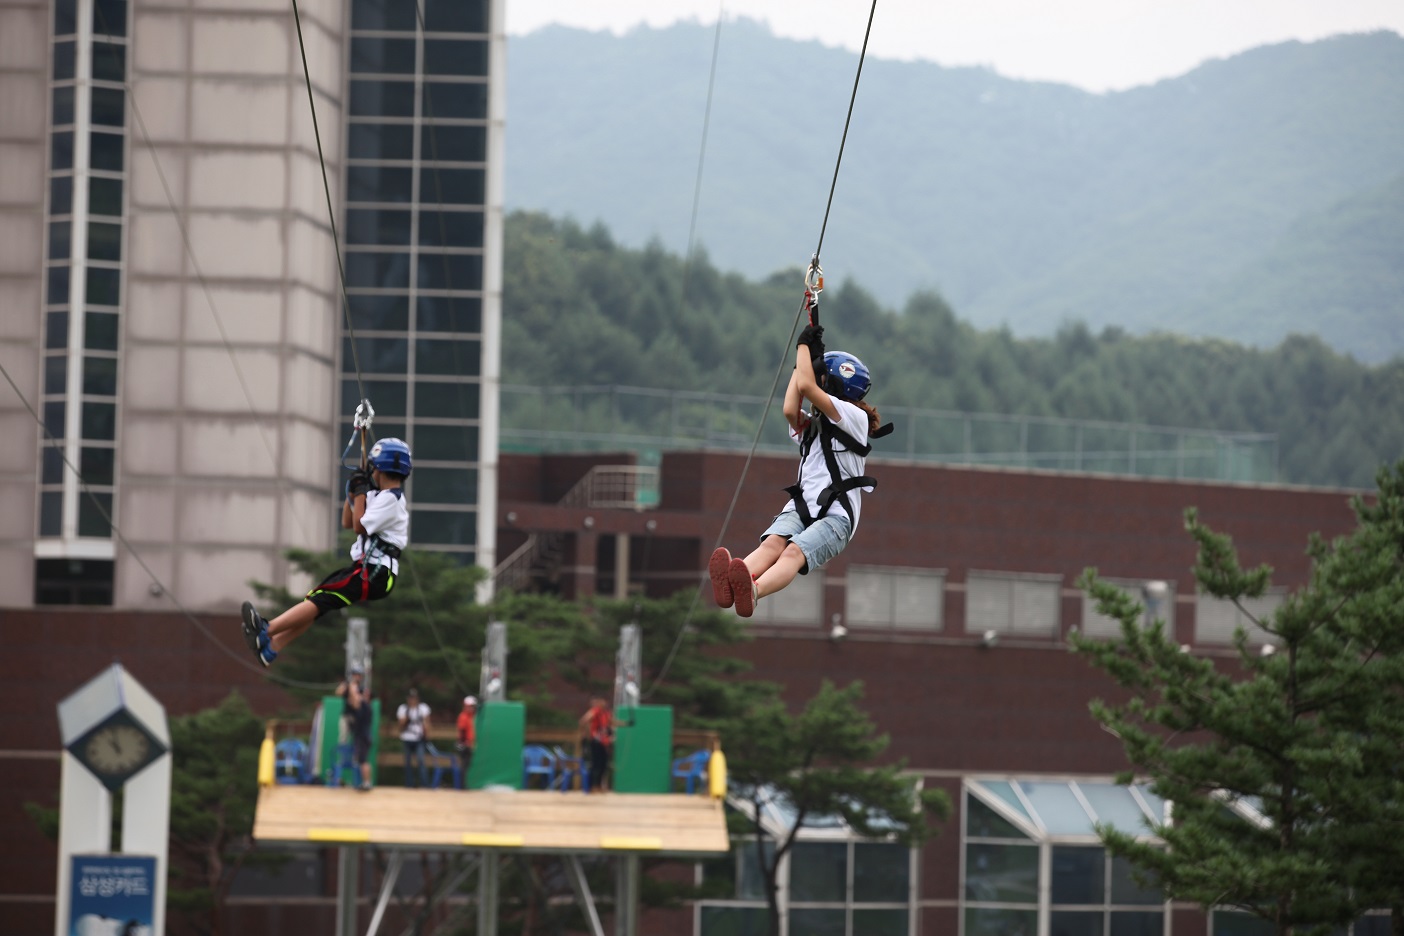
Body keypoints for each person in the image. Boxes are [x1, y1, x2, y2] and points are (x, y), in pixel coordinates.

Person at [709, 319, 883, 618]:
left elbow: (806, 386)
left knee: (793, 552)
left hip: (837, 517)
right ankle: (733, 583)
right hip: (803, 505)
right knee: (773, 544)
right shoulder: (814, 425)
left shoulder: (854, 418)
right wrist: (800, 363)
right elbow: (790, 408)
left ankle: (754, 591)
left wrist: (804, 348)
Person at [240, 437, 412, 667]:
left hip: (377, 573)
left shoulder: (392, 500)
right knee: (316, 602)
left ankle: (266, 630)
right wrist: (355, 491)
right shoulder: (378, 496)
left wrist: (362, 493)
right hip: (365, 569)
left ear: (379, 468)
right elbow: (347, 521)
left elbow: (359, 526)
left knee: (321, 599)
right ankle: (272, 647)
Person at [336, 664, 373, 792]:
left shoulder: (363, 706)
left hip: (361, 733)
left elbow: (357, 701)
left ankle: (366, 782)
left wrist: (353, 689)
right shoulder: (351, 689)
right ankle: (345, 764)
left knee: (362, 759)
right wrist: (348, 685)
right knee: (345, 742)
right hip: (357, 728)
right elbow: (339, 692)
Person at [579, 696, 617, 793]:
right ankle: (593, 786)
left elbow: (612, 723)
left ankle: (599, 786)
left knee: (603, 764)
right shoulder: (595, 711)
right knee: (596, 764)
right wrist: (586, 734)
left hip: (604, 742)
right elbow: (584, 720)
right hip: (596, 741)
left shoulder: (606, 713)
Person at [397, 687, 431, 788]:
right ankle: (409, 784)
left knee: (421, 761)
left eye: (414, 698)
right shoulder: (403, 709)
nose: (412, 700)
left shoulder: (423, 708)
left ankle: (424, 784)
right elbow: (400, 725)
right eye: (410, 698)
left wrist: (427, 734)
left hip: (419, 739)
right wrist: (408, 717)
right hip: (407, 738)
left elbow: (427, 722)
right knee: (407, 762)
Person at [455, 695, 477, 790]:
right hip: (465, 744)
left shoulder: (471, 716)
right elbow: (462, 731)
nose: (472, 708)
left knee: (467, 765)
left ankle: (465, 785)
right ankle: (463, 786)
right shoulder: (464, 716)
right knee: (465, 765)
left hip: (469, 743)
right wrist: (465, 743)